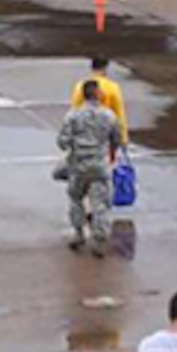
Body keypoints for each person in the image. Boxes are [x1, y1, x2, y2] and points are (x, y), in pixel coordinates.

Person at [58, 80, 124, 255]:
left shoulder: (73, 116)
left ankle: (78, 233)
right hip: (100, 165)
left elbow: (62, 142)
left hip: (78, 165)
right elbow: (117, 140)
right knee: (100, 204)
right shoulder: (109, 116)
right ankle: (99, 239)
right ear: (97, 94)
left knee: (76, 199)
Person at [69, 57, 130, 146]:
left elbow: (74, 110)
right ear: (105, 68)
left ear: (92, 68)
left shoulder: (80, 86)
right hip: (106, 133)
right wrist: (123, 137)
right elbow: (119, 113)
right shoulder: (113, 87)